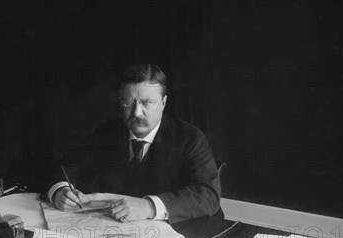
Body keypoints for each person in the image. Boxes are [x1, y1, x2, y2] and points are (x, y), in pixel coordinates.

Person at [48, 64, 221, 224]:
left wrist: (149, 207)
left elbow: (208, 195)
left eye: (148, 102)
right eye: (128, 102)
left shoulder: (189, 138)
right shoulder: (106, 133)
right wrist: (61, 191)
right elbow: (67, 167)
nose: (137, 113)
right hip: (116, 236)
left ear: (163, 103)